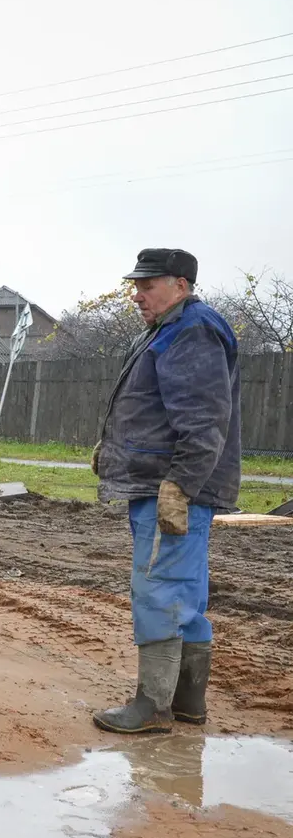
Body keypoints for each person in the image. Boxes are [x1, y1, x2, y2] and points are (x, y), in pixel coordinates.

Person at [91, 248, 241, 735]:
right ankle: (187, 705)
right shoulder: (170, 327)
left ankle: (152, 707)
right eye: (137, 284)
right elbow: (154, 407)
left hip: (173, 490)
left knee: (158, 591)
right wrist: (113, 448)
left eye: (148, 285)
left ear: (180, 284)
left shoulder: (191, 330)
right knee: (185, 594)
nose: (137, 294)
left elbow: (202, 420)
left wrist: (180, 485)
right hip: (166, 483)